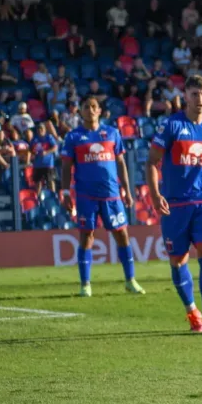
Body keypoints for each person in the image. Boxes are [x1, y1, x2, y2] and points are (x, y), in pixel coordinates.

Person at [147, 75, 202, 335]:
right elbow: (152, 161)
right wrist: (155, 194)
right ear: (185, 96)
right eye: (195, 94)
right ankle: (192, 311)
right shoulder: (171, 125)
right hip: (175, 204)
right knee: (178, 260)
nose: (200, 99)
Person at [59, 97, 145, 297]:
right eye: (86, 107)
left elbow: (121, 162)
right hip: (85, 196)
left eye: (93, 107)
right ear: (80, 111)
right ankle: (85, 284)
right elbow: (65, 167)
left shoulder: (112, 133)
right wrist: (65, 192)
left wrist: (127, 189)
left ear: (99, 111)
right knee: (86, 236)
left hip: (111, 195)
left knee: (122, 234)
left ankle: (130, 280)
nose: (90, 110)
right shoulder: (73, 137)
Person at [30, 122, 58, 194]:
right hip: (38, 164)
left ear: (45, 130)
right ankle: (38, 198)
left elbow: (55, 147)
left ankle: (53, 196)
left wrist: (46, 152)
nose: (40, 130)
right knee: (38, 182)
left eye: (41, 128)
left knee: (50, 181)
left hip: (48, 164)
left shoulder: (49, 137)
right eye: (39, 128)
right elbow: (31, 149)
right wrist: (34, 153)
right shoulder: (34, 139)